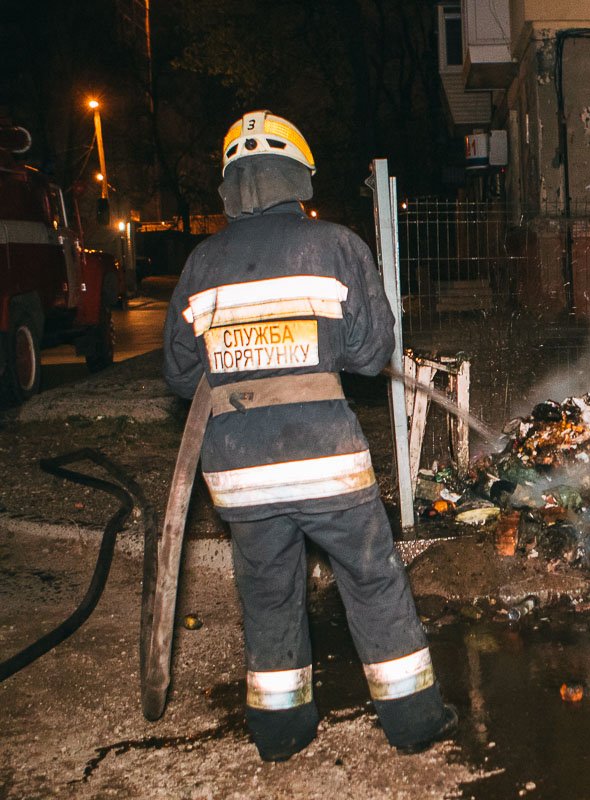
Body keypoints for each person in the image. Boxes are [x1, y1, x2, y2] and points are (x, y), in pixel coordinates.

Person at [163, 110, 456, 761]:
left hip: (238, 475)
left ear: (229, 185)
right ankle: (412, 722)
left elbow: (182, 374)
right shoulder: (335, 248)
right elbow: (369, 352)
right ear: (298, 177)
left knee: (268, 594)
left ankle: (279, 733)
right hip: (327, 465)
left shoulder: (201, 263)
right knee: (372, 579)